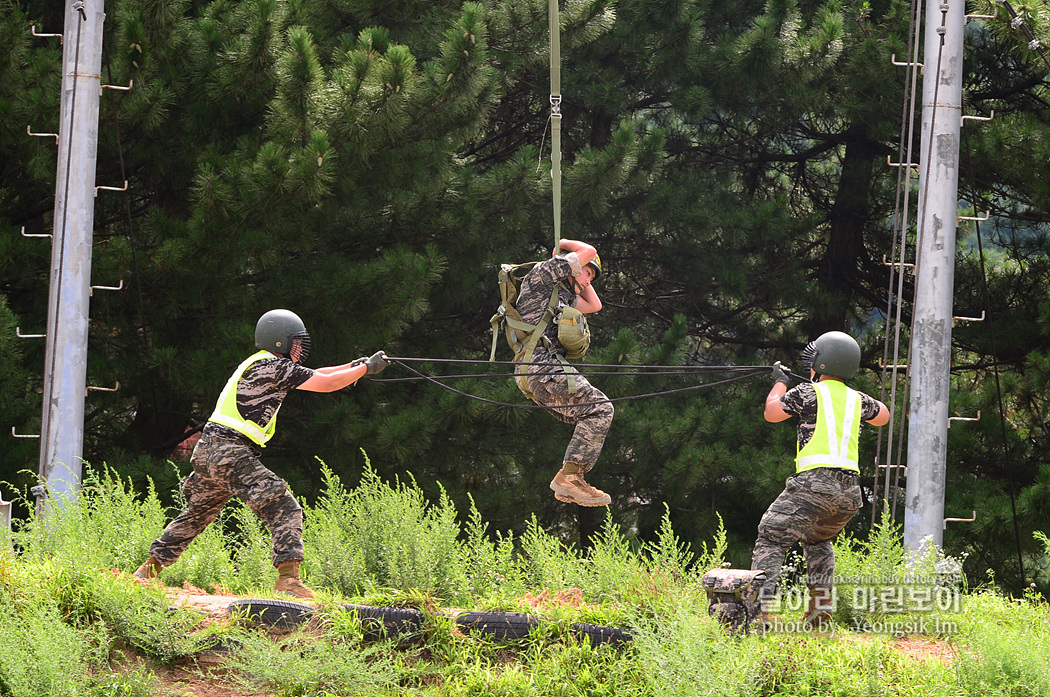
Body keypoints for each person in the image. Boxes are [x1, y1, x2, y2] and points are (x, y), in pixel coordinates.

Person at [134, 309, 389, 599]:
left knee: (197, 514)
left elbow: (320, 374)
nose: (300, 347)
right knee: (283, 506)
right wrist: (365, 369)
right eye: (296, 341)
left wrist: (355, 366)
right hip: (229, 451)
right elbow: (326, 383)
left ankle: (147, 571)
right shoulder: (273, 366)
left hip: (210, 451)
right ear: (282, 342)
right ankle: (288, 582)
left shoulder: (262, 365)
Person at [751, 330, 889, 627]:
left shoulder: (807, 393)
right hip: (850, 495)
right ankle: (819, 613)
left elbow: (772, 413)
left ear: (820, 363)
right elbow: (884, 415)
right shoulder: (857, 399)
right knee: (819, 541)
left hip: (814, 486)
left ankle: (759, 612)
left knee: (771, 538)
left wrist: (779, 382)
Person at [514, 239, 614, 507]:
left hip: (535, 370)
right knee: (600, 408)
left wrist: (584, 278)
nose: (588, 282)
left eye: (592, 278)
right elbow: (589, 251)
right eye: (586, 272)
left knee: (590, 414)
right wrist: (563, 246)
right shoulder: (543, 276)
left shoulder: (562, 297)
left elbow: (594, 306)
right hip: (541, 366)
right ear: (570, 265)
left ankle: (570, 479)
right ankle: (570, 477)